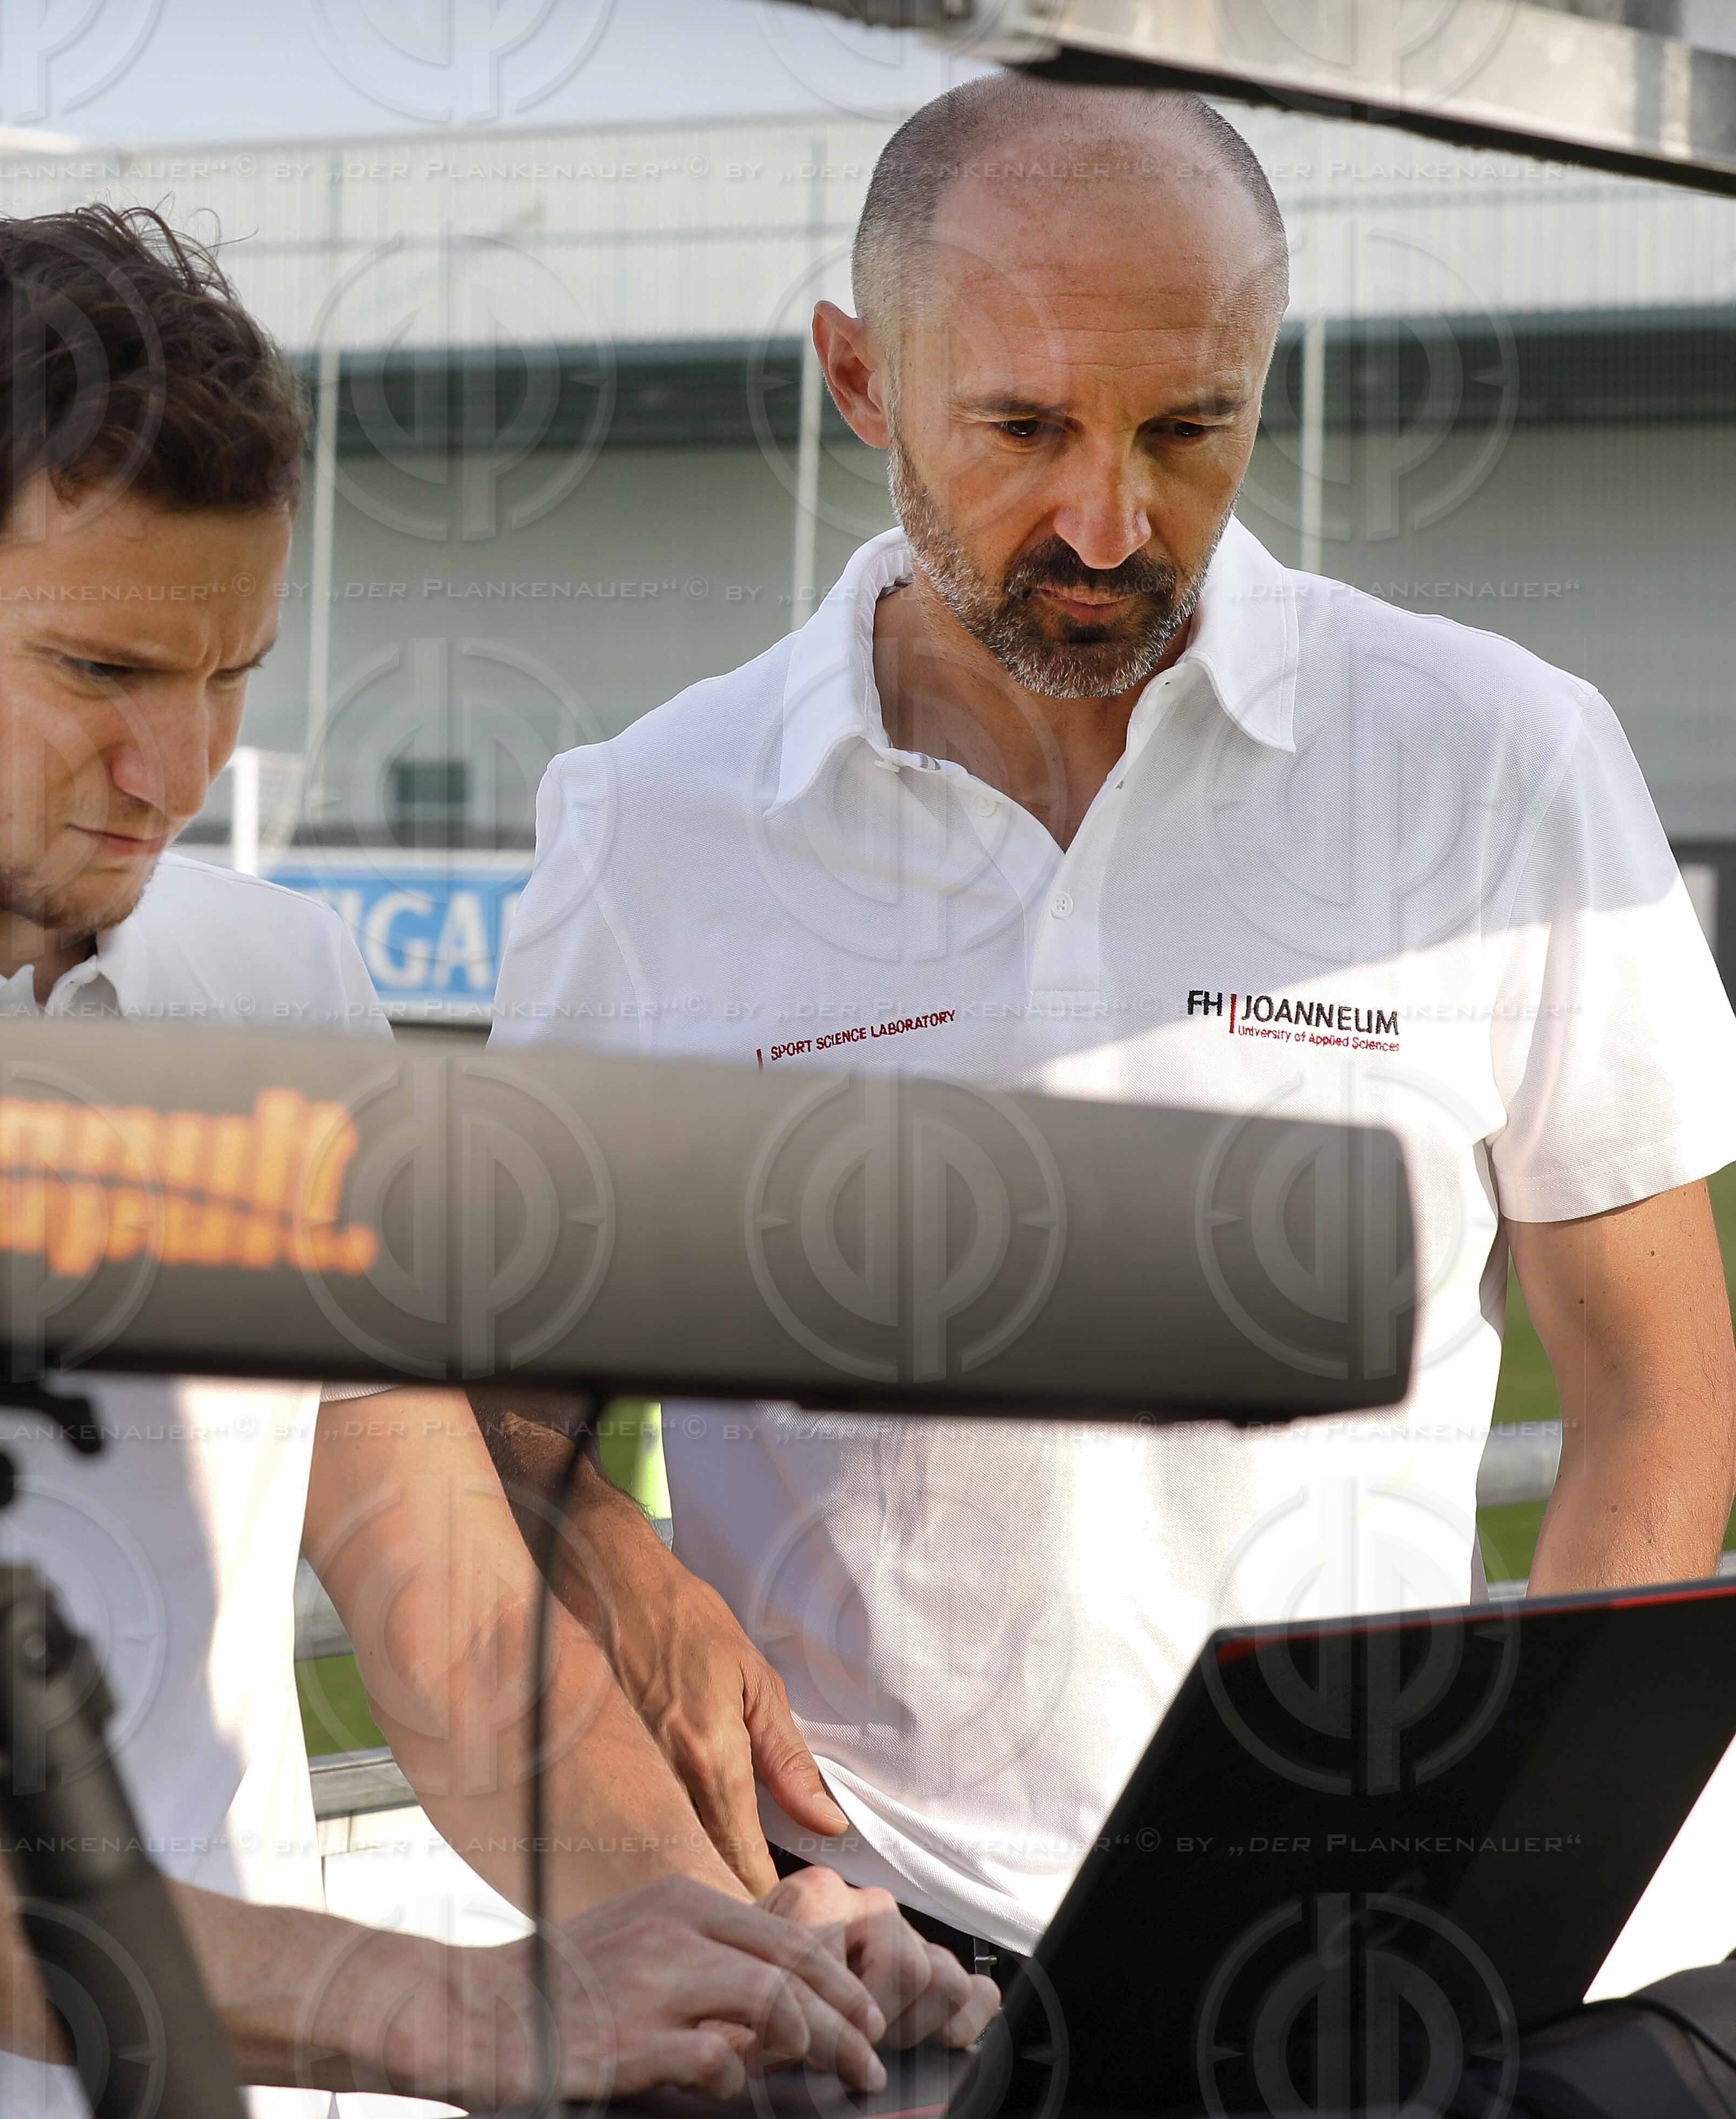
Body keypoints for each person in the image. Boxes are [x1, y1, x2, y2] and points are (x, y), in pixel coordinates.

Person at [0, 204, 991, 2113]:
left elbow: (454, 1625)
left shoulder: (279, 982)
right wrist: (466, 2014)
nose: (178, 771)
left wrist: (756, 1964)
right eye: (104, 672)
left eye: (229, 674)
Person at [482, 77, 1736, 1962]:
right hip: (872, 1940)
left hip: (1379, 1924)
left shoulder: (1499, 761)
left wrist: (1514, 1869)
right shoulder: (648, 823)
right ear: (857, 380)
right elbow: (503, 1400)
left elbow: (1657, 1390)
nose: (1106, 516)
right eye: (1021, 427)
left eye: (1188, 427)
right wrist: (622, 1575)